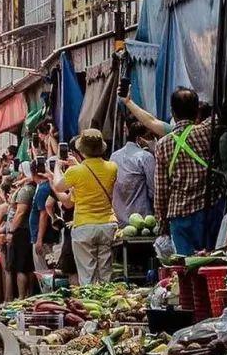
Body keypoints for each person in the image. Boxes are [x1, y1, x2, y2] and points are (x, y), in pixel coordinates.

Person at [153, 87, 222, 257]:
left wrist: (162, 223)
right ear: (197, 110)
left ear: (173, 112)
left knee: (185, 266)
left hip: (178, 217)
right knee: (209, 261)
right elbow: (223, 114)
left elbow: (161, 190)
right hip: (207, 212)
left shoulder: (162, 145)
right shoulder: (206, 131)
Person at [54, 128, 118, 285]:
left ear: (82, 150)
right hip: (107, 225)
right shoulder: (112, 167)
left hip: (84, 227)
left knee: (87, 275)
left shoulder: (75, 171)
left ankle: (90, 304)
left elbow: (58, 186)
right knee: (105, 273)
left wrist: (57, 168)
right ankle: (106, 304)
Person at [110, 121, 156, 226]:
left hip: (118, 219)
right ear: (139, 139)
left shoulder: (114, 156)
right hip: (142, 221)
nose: (152, 140)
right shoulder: (146, 157)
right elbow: (153, 191)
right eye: (149, 137)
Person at [8, 163, 37, 299]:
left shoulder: (26, 191)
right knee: (30, 266)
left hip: (22, 232)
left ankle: (21, 296)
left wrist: (11, 231)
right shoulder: (33, 187)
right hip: (30, 231)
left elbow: (20, 212)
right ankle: (30, 295)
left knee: (21, 267)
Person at [29, 160, 54, 279]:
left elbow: (43, 215)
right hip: (43, 236)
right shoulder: (44, 186)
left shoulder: (44, 189)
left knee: (44, 273)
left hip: (44, 239)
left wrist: (39, 239)